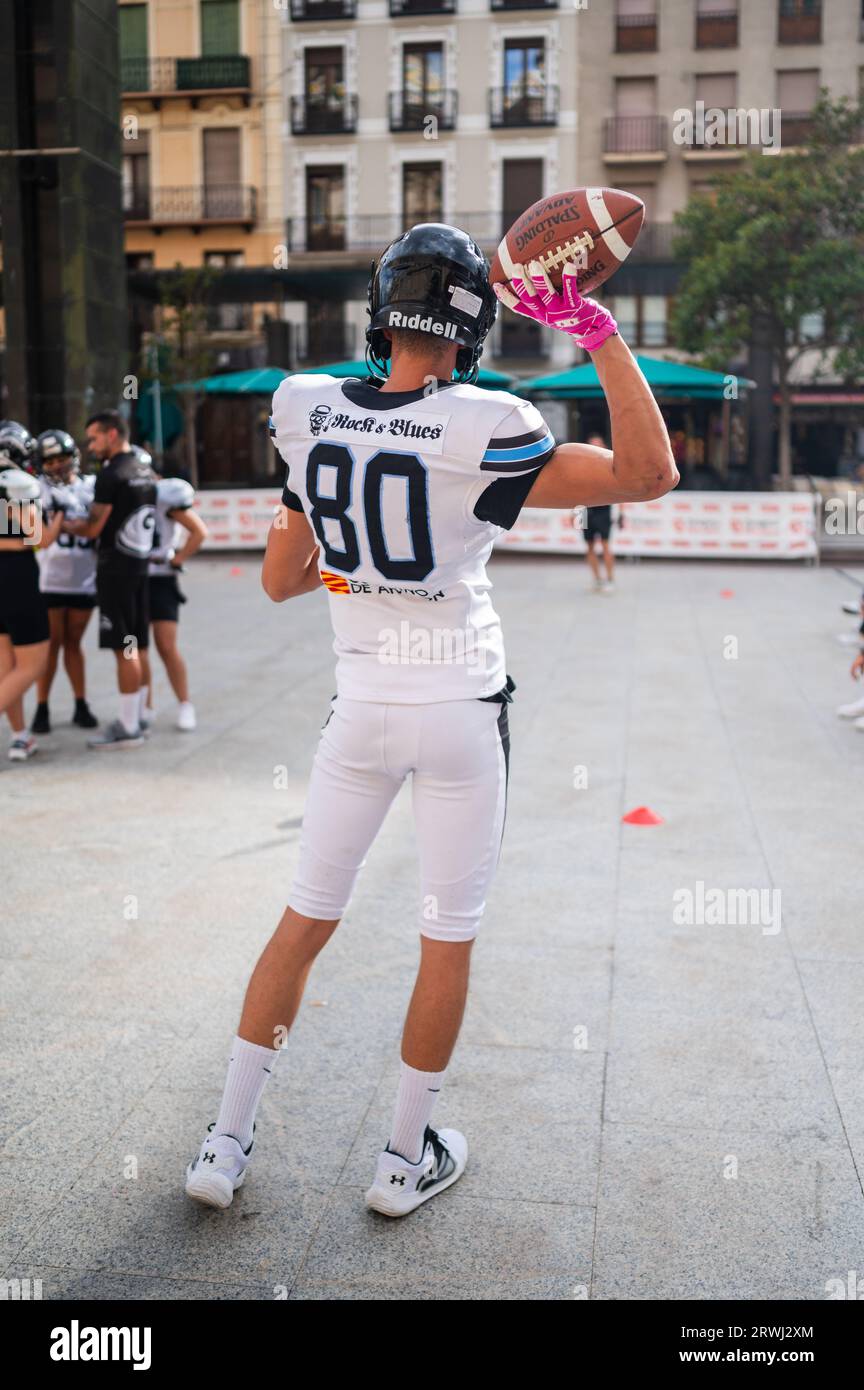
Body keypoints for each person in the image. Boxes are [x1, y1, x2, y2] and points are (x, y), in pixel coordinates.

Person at [183, 224, 678, 1217]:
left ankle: (225, 1144)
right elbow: (646, 474)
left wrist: (353, 546)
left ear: (383, 310)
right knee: (444, 938)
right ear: (472, 326)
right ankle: (403, 1160)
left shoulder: (304, 405)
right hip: (456, 706)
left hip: (358, 708)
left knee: (302, 925)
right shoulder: (489, 421)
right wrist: (593, 330)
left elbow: (282, 580)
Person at [63, 410, 157, 749]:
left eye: (94, 438)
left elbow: (91, 528)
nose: (90, 446)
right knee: (139, 645)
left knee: (124, 648)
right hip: (140, 568)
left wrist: (62, 525)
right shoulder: (145, 470)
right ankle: (142, 715)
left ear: (112, 435)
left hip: (116, 571)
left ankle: (129, 725)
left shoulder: (111, 474)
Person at [0, 421, 63, 761]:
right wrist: (58, 520)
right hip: (17, 577)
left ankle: (20, 736)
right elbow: (37, 537)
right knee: (32, 665)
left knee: (7, 666)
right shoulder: (19, 484)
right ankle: (19, 735)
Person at [30, 429, 99, 733]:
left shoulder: (91, 487)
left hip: (84, 579)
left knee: (73, 644)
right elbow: (34, 535)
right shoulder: (35, 489)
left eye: (62, 458)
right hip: (49, 580)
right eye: (51, 460)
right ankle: (42, 706)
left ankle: (80, 703)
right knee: (50, 647)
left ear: (74, 456)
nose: (57, 465)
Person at [136, 449, 208, 732]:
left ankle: (185, 704)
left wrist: (176, 559)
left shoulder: (165, 494)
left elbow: (199, 531)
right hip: (135, 578)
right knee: (138, 648)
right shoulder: (124, 492)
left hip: (161, 578)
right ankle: (146, 706)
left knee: (166, 645)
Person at [577, 432, 616, 593]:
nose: (594, 448)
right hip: (583, 510)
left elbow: (620, 489)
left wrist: (621, 513)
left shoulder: (610, 465)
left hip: (603, 509)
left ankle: (610, 580)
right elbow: (573, 489)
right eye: (591, 445)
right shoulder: (579, 465)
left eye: (597, 445)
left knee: (605, 544)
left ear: (603, 447)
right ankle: (597, 579)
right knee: (589, 546)